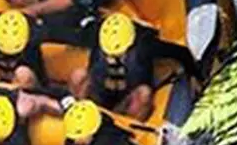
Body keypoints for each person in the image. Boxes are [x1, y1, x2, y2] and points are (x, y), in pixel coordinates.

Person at [68, 11, 202, 121]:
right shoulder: (97, 36)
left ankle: (131, 126)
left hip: (129, 93)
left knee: (144, 93)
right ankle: (80, 113)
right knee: (78, 75)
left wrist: (195, 75)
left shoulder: (145, 45)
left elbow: (181, 52)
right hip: (102, 92)